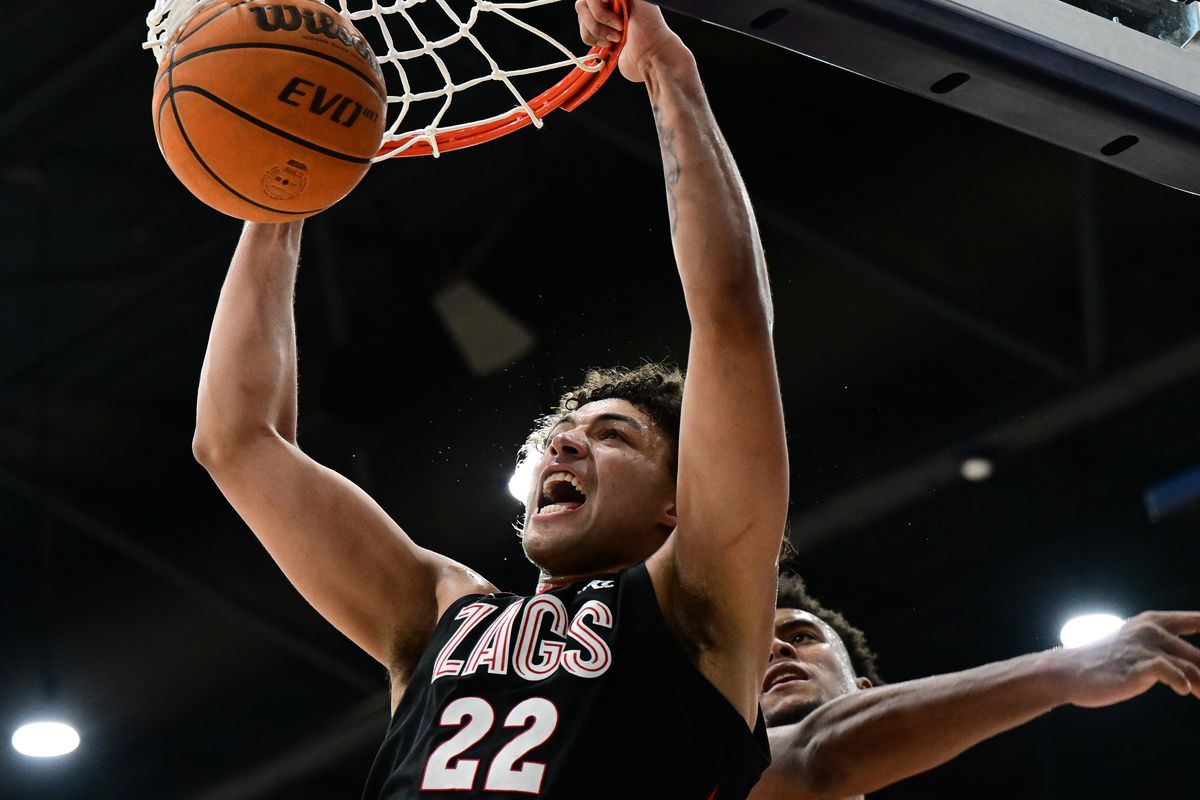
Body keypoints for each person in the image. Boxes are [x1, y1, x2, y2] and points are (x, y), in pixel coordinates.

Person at [190, 0, 787, 796]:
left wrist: (668, 73)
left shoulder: (698, 609)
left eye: (613, 435)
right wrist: (283, 189)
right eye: (558, 433)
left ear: (677, 504)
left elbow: (732, 318)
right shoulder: (440, 610)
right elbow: (237, 439)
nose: (564, 445)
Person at [750, 573, 1200, 800]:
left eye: (802, 637)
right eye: (749, 651)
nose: (775, 649)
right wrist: (1064, 670)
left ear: (864, 691)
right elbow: (819, 753)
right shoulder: (698, 774)